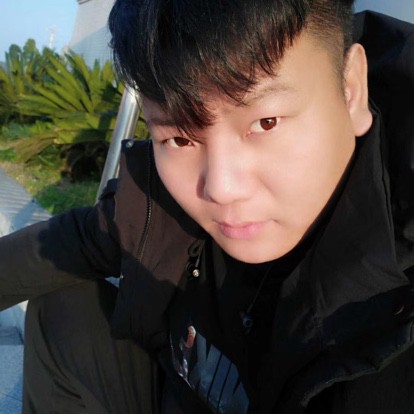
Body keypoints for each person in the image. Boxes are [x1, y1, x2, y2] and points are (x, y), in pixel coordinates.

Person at [1, 0, 414, 412]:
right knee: (65, 310)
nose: (220, 189)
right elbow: (79, 239)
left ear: (351, 90)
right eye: (180, 138)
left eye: (266, 122)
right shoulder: (162, 198)